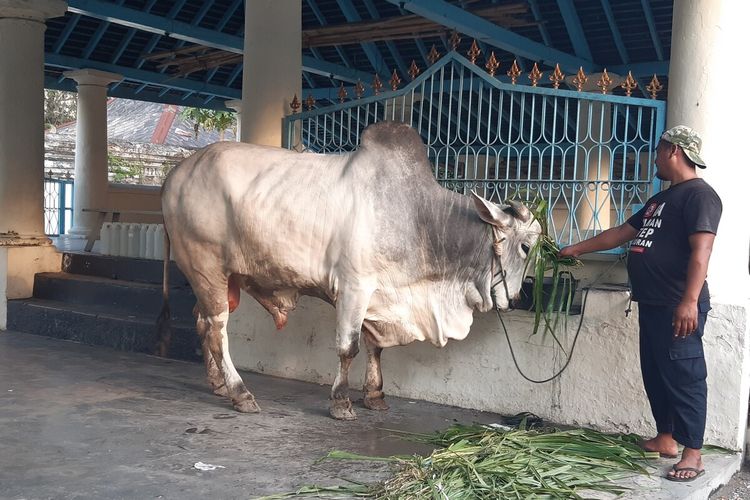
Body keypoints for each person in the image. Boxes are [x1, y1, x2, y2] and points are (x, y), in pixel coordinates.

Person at [559, 125, 722, 482]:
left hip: (677, 304)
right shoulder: (659, 200)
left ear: (674, 151)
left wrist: (690, 301)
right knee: (656, 374)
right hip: (651, 303)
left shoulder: (699, 196)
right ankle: (667, 439)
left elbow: (702, 251)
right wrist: (576, 248)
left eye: (660, 150)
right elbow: (620, 233)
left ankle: (693, 454)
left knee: (685, 376)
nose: (656, 159)